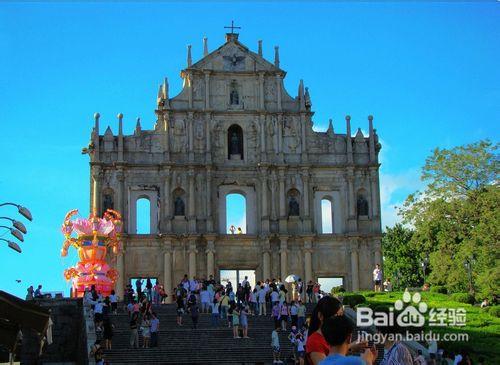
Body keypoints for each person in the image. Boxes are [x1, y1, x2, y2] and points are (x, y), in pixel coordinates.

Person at [306, 296, 367, 365]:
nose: (340, 320)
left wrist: (350, 346)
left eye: (341, 315)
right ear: (320, 316)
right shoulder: (314, 341)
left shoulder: (332, 336)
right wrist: (367, 362)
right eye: (336, 316)